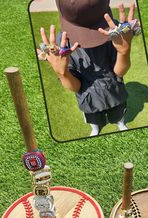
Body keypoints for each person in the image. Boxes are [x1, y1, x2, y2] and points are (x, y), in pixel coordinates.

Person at [38, 0, 137, 136]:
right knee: (94, 119)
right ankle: (95, 128)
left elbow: (119, 72)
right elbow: (76, 87)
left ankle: (120, 122)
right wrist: (63, 73)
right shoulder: (62, 44)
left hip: (114, 90)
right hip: (88, 97)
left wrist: (124, 51)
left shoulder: (115, 31)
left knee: (118, 114)